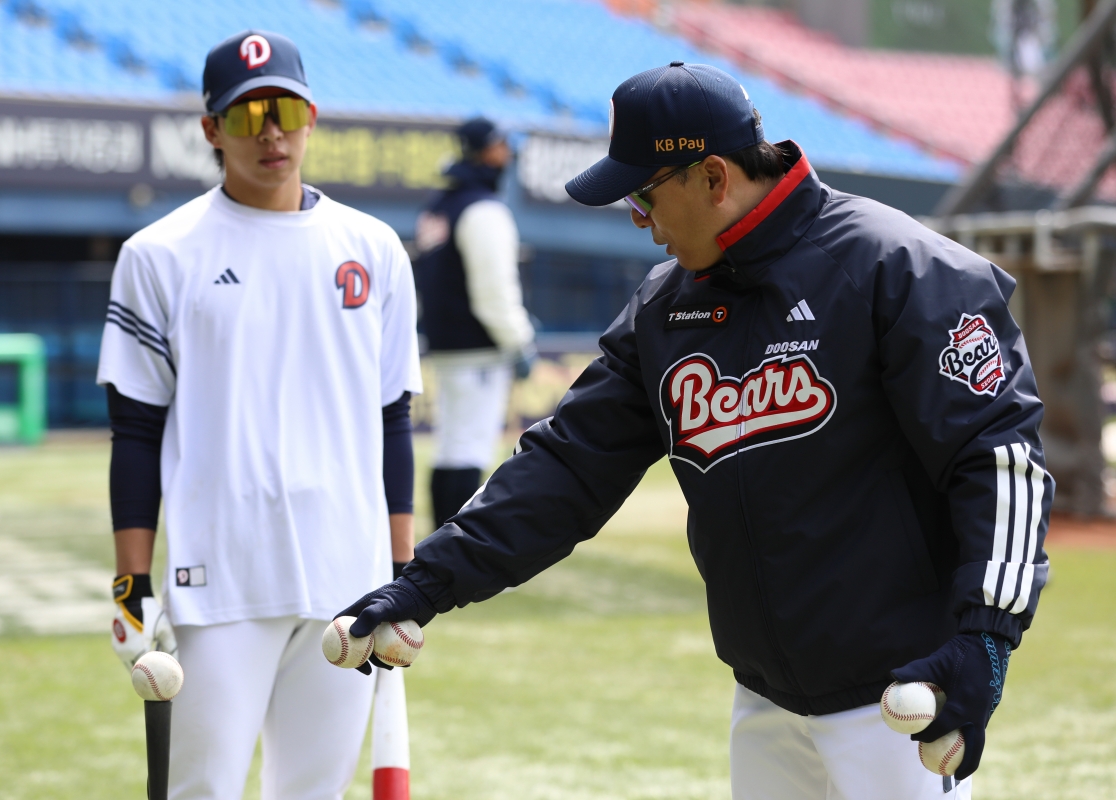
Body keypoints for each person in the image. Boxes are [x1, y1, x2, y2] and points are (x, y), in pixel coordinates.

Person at [337, 62, 1054, 799]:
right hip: (765, 698)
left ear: (713, 177)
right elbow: (566, 467)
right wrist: (424, 583)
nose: (637, 218)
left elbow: (999, 458)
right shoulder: (664, 307)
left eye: (645, 193)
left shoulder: (898, 267)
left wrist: (984, 641)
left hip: (899, 705)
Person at [97, 30, 421, 800]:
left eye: (284, 110)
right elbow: (136, 433)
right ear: (211, 130)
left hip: (348, 580)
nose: (269, 132)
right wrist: (130, 588)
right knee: (199, 790)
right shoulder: (159, 254)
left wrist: (407, 575)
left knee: (312, 792)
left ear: (312, 116)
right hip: (219, 581)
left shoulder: (373, 250)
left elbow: (394, 419)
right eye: (246, 116)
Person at [413, 117, 537, 527]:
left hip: (445, 344)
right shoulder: (482, 209)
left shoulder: (440, 205)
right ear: (487, 149)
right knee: (468, 447)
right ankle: (453, 555)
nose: (508, 154)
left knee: (451, 445)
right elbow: (494, 293)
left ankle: (435, 546)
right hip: (478, 347)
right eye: (502, 145)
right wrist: (519, 341)